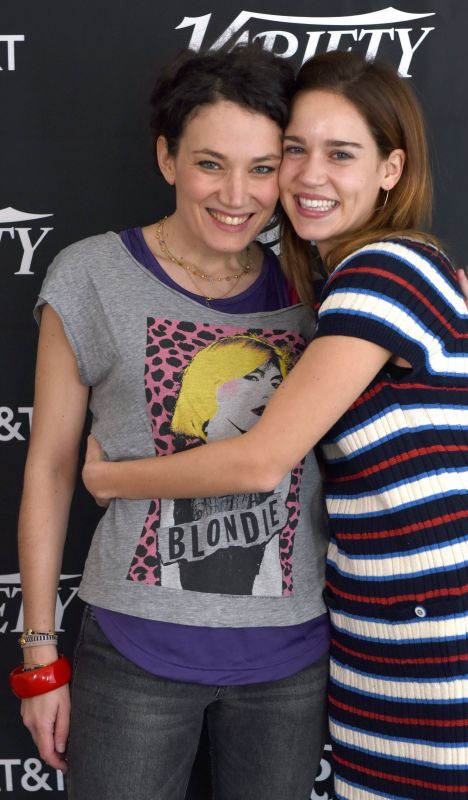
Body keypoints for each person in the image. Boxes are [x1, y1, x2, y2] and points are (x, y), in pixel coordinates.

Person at [83, 51, 468, 800]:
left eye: (340, 153)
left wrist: (107, 477)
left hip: (448, 638)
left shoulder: (382, 272)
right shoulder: (342, 283)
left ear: (391, 169)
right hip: (374, 633)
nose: (308, 175)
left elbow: (262, 461)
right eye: (294, 150)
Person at [16, 47, 331, 800]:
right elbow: (52, 468)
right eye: (210, 164)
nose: (237, 194)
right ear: (166, 157)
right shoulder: (91, 275)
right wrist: (38, 658)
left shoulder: (321, 284)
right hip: (134, 657)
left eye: (262, 168)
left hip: (289, 664)